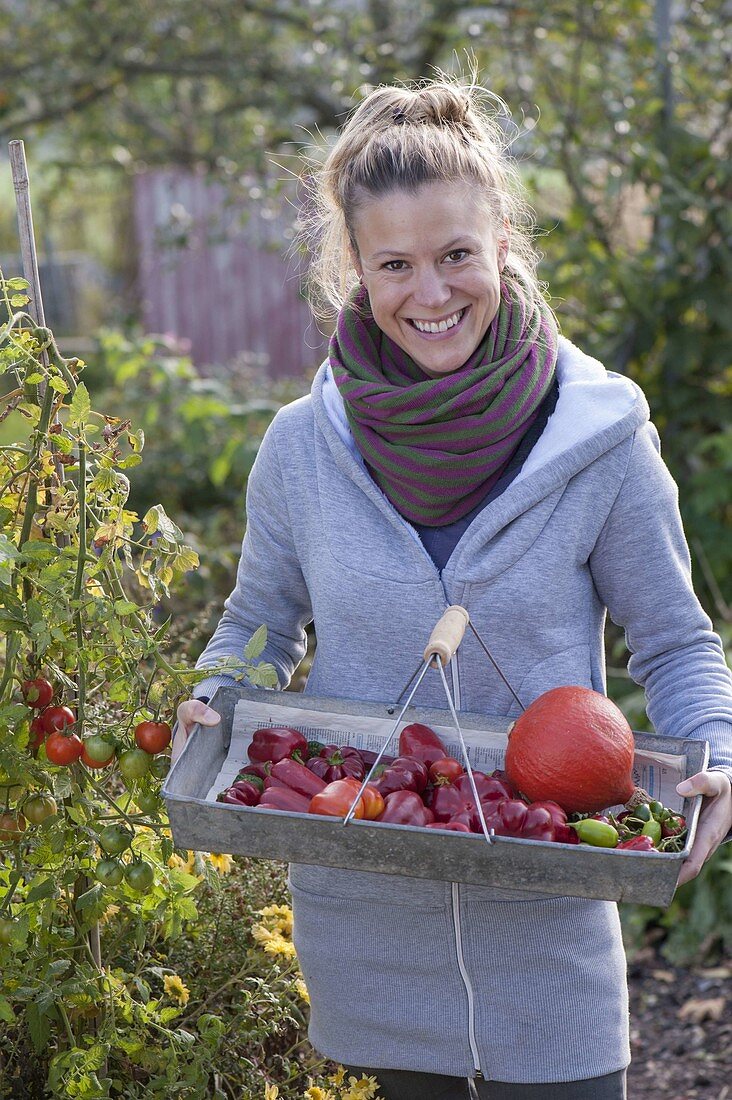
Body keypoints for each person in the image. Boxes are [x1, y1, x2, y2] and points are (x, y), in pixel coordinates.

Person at [173, 77, 732, 1100]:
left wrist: (718, 755)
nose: (431, 293)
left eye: (455, 255)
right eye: (396, 265)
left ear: (504, 242)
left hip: (547, 919)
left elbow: (676, 638)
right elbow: (259, 622)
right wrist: (216, 692)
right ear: (358, 269)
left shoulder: (599, 437)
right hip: (365, 918)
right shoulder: (303, 448)